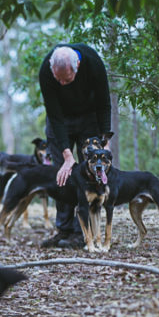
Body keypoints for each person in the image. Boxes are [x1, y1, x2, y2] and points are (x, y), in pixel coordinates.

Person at [38, 43, 112, 248]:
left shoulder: (93, 62)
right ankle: (64, 229)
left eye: (66, 79)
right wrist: (67, 156)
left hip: (89, 118)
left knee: (88, 174)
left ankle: (83, 232)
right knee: (60, 174)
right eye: (57, 79)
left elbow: (104, 103)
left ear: (77, 66)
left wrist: (105, 141)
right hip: (60, 120)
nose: (61, 83)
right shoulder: (46, 69)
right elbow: (54, 115)